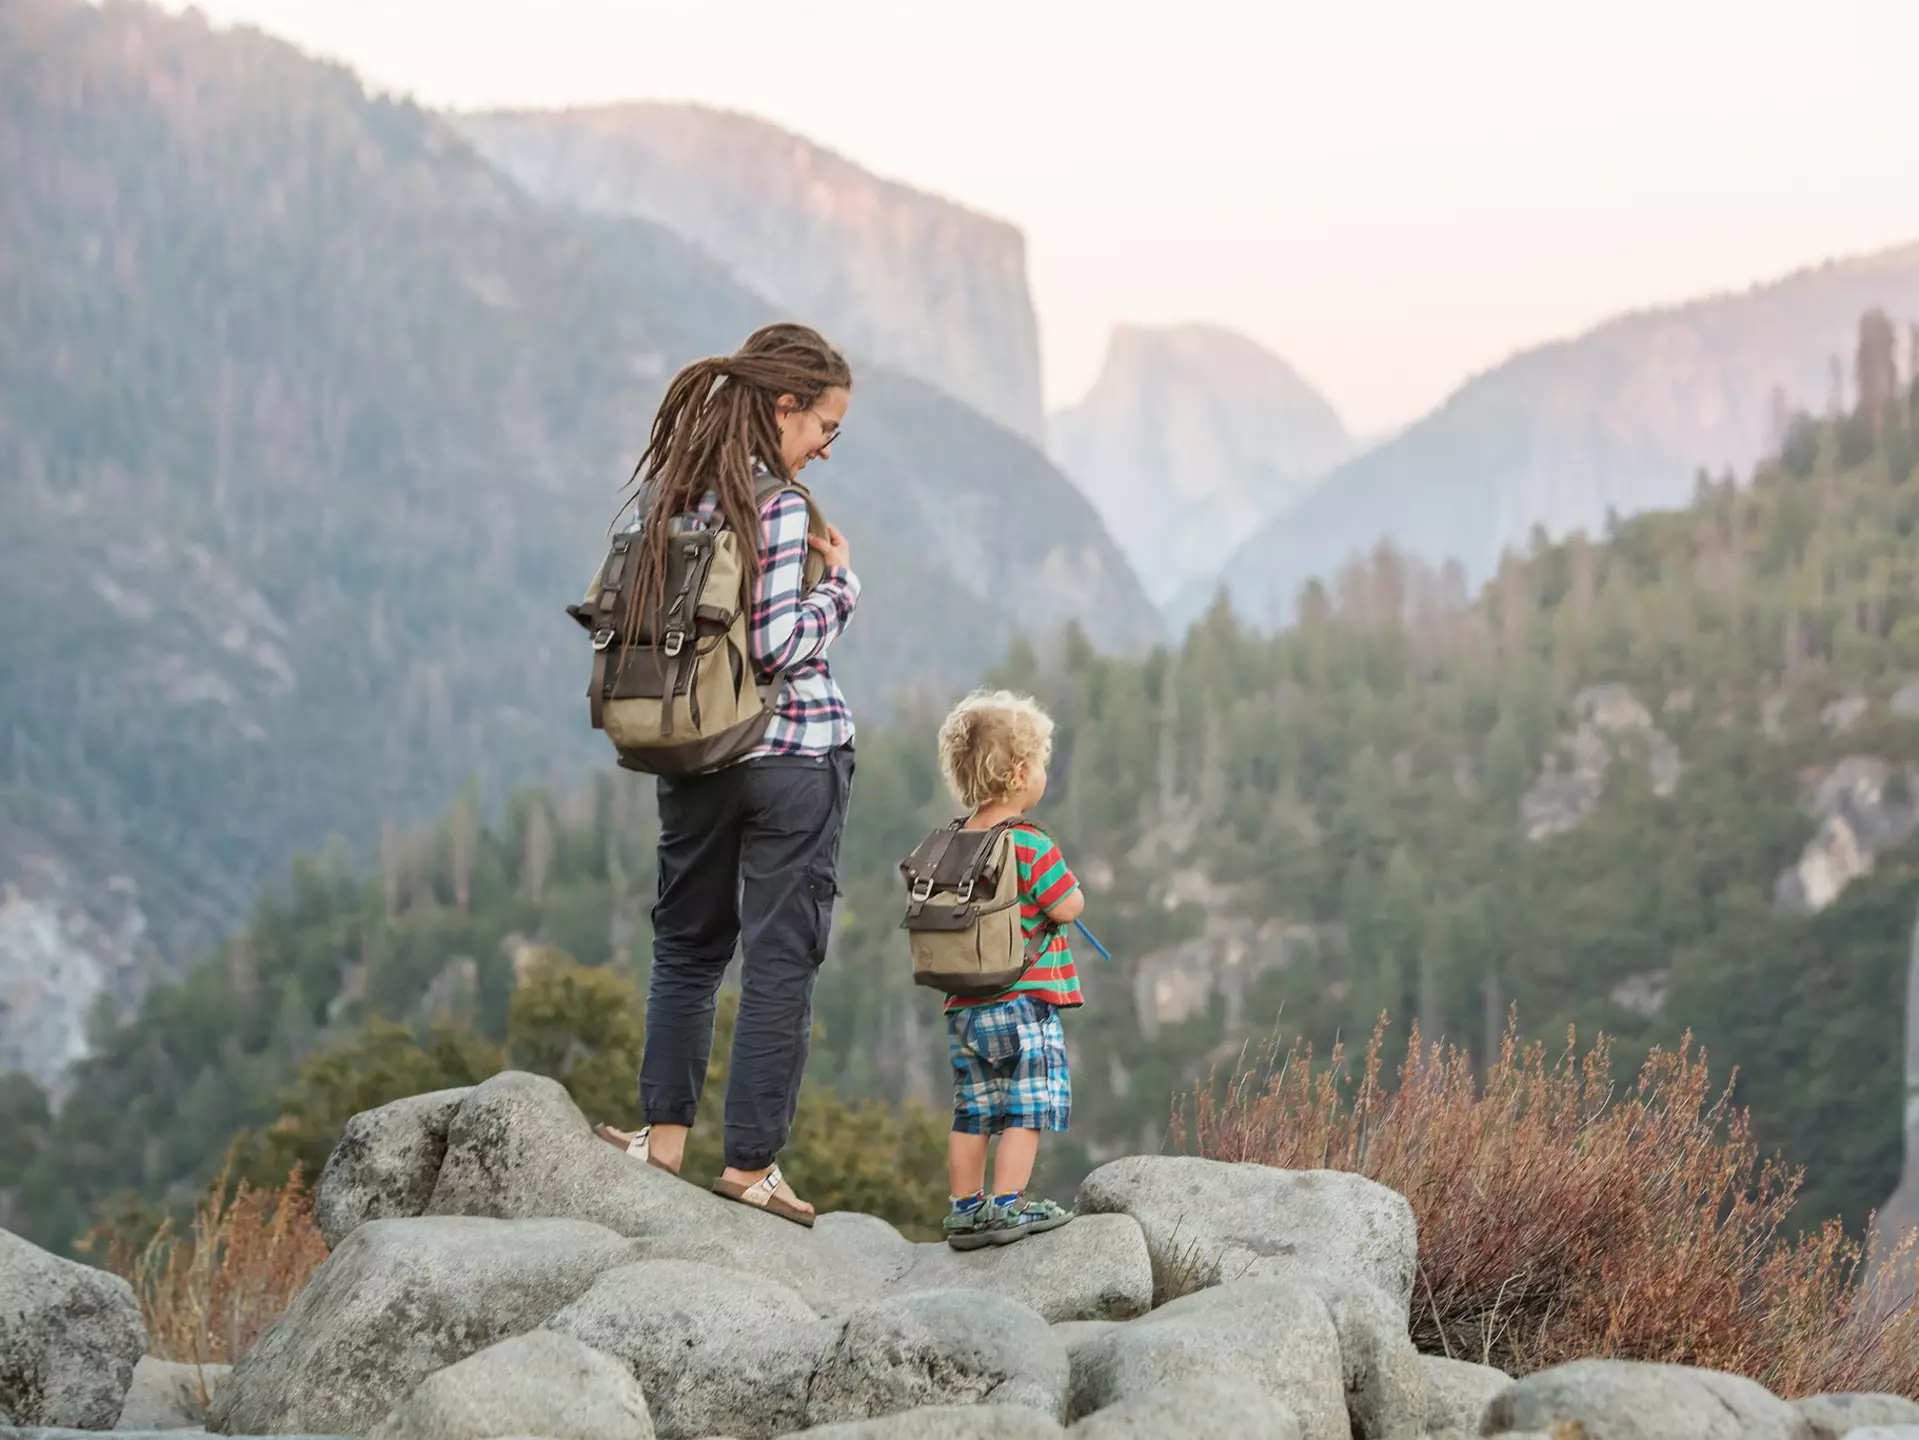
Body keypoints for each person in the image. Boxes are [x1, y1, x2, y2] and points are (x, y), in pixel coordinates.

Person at [596, 323, 858, 1227]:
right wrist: (843, 590)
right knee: (779, 961)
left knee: (686, 949)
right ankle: (750, 1166)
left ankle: (660, 1142)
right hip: (791, 759)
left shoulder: (663, 500)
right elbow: (778, 644)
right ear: (783, 405)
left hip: (693, 753)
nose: (827, 444)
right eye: (825, 424)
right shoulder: (776, 506)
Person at [933, 690, 1086, 1250]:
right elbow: (1067, 905)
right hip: (1025, 1002)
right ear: (1021, 772)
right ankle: (1007, 1206)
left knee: (971, 1112)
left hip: (964, 1006)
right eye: (1041, 761)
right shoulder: (1026, 840)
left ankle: (964, 1209)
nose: (1043, 771)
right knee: (1027, 1109)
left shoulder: (954, 841)